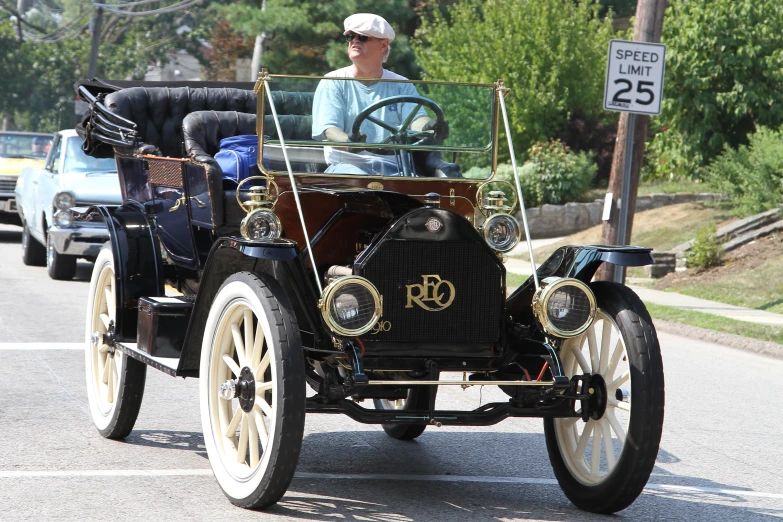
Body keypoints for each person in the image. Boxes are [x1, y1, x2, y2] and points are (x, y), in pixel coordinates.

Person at [311, 13, 450, 176]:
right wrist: (349, 140)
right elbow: (329, 129)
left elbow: (415, 119)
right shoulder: (333, 81)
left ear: (383, 45)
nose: (354, 41)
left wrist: (430, 126)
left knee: (427, 194)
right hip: (348, 166)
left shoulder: (401, 84)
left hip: (395, 167)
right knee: (363, 190)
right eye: (350, 36)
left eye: (362, 37)